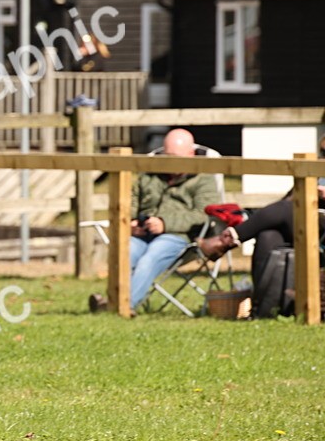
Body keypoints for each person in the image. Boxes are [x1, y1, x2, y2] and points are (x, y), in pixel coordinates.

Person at [90, 128, 218, 314]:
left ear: (191, 154)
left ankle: (124, 307)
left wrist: (165, 223)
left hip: (180, 237)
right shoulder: (149, 174)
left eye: (177, 157)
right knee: (124, 252)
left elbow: (204, 214)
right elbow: (131, 199)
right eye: (168, 156)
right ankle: (112, 302)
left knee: (149, 259)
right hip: (143, 234)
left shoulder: (204, 179)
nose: (171, 162)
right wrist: (132, 222)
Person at [198, 135, 325, 287]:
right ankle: (263, 305)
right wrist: (307, 192)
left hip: (321, 228)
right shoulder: (316, 169)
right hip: (306, 223)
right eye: (323, 152)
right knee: (268, 236)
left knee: (283, 208)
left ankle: (225, 241)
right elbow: (288, 200)